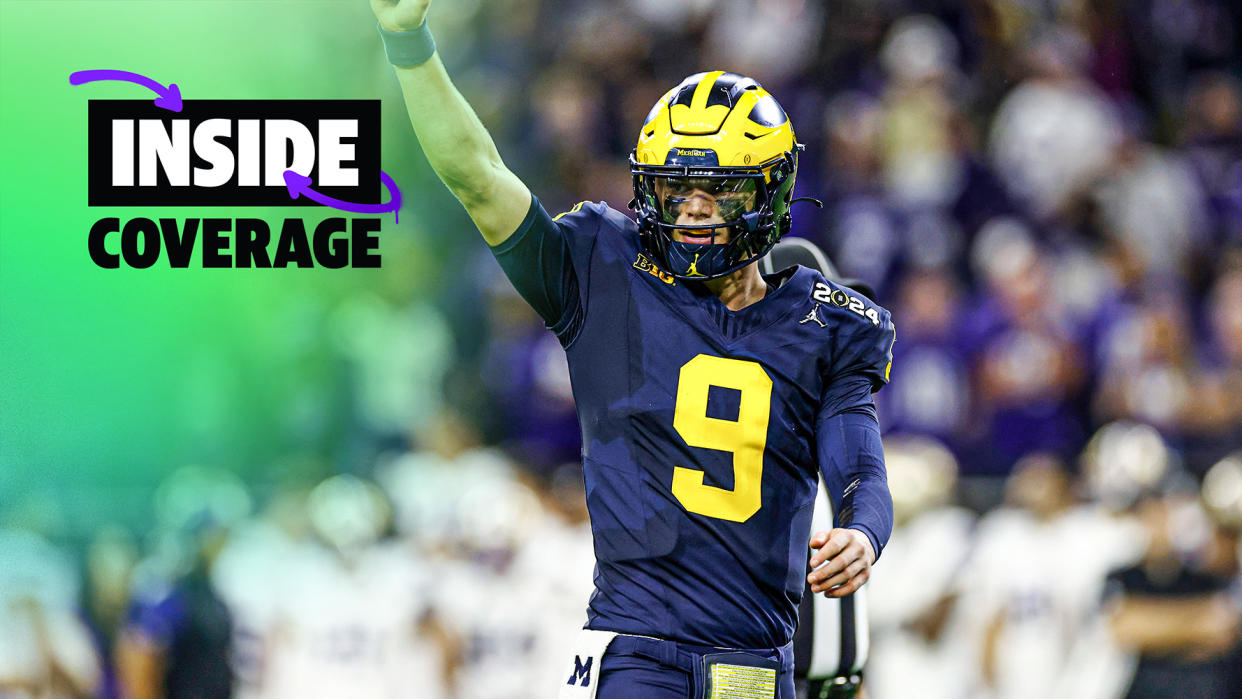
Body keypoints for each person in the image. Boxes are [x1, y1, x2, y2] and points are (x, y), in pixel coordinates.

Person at [370, 2, 897, 696]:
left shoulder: (827, 323)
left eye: (719, 191)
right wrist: (409, 43)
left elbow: (858, 464)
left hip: (755, 667)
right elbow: (476, 173)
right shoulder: (602, 274)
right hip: (636, 655)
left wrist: (861, 532)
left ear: (771, 191)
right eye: (676, 190)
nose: (692, 210)